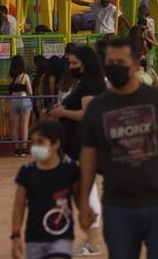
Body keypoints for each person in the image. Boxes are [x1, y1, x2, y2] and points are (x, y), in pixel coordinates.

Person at [78, 38, 158, 258]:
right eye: (110, 62)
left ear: (136, 65)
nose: (114, 67)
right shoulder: (97, 108)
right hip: (118, 206)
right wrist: (83, 203)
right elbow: (88, 159)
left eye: (121, 62)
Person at [46, 46, 104, 256]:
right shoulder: (85, 81)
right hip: (77, 144)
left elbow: (86, 114)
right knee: (83, 192)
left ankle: (94, 240)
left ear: (85, 63)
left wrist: (62, 112)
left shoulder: (89, 82)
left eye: (74, 63)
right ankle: (91, 237)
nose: (70, 67)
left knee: (87, 192)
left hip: (84, 144)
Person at [10, 119, 79, 259]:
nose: (35, 147)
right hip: (34, 238)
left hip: (62, 236)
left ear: (55, 143)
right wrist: (16, 235)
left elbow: (79, 197)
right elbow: (19, 205)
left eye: (40, 142)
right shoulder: (26, 172)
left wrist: (86, 214)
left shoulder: (70, 170)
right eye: (33, 143)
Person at [8, 55, 34, 157]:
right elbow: (30, 92)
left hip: (14, 100)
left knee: (15, 126)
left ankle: (16, 148)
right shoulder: (25, 76)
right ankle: (23, 148)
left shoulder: (12, 77)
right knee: (24, 125)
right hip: (24, 99)